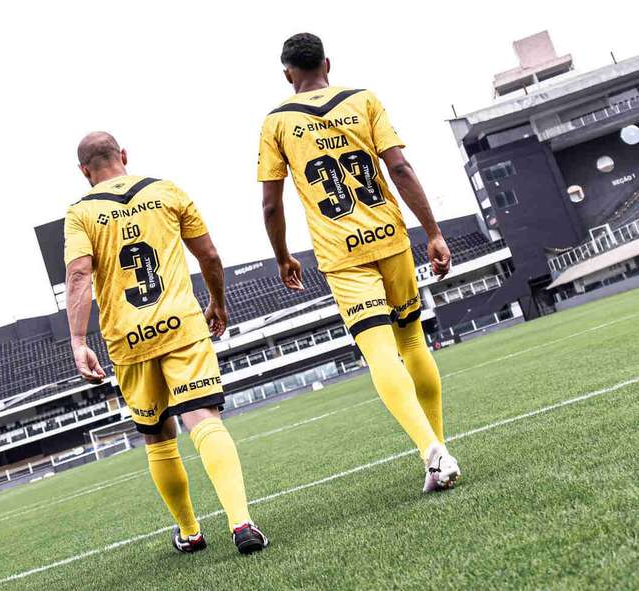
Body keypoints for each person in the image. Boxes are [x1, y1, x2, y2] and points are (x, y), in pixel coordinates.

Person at [257, 33, 460, 492]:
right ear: (327, 62)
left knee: (379, 352)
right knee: (412, 341)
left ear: (288, 72)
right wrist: (433, 232)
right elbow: (401, 169)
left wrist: (283, 255)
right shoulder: (364, 100)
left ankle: (433, 453)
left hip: (341, 252)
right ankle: (438, 449)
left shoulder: (275, 123)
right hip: (390, 237)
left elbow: (271, 204)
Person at [64, 131, 268, 553]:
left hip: (128, 337)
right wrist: (217, 302)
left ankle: (190, 532)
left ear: (85, 172)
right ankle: (241, 523)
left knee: (158, 437)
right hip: (181, 325)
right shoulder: (167, 191)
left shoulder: (80, 213)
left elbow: (80, 275)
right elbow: (209, 255)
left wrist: (78, 339)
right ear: (123, 155)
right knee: (204, 420)